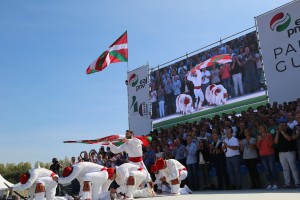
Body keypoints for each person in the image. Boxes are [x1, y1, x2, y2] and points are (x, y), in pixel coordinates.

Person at [274, 122, 300, 188]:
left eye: (283, 125)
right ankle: (287, 183)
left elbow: (289, 138)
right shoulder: (278, 133)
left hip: (290, 152)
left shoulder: (290, 131)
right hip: (281, 153)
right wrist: (277, 133)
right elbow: (275, 142)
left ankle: (297, 183)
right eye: (280, 125)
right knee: (285, 169)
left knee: (293, 168)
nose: (282, 126)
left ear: (286, 126)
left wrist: (282, 132)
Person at [256, 125, 278, 189]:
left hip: (270, 154)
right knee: (267, 170)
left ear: (265, 129)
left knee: (272, 169)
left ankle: (275, 183)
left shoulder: (269, 135)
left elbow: (271, 144)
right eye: (259, 128)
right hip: (262, 155)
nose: (260, 129)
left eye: (261, 128)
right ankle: (269, 183)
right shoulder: (258, 136)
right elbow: (257, 147)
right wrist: (259, 140)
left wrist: (265, 137)